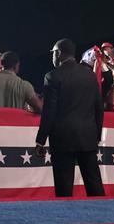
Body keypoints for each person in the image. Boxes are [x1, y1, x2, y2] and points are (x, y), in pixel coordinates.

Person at [35, 39, 105, 197]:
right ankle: (104, 217)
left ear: (59, 53)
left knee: (64, 188)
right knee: (94, 185)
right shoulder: (90, 76)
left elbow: (49, 111)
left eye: (53, 52)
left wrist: (41, 140)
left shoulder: (52, 76)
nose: (52, 56)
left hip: (62, 140)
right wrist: (97, 136)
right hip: (87, 137)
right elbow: (98, 108)